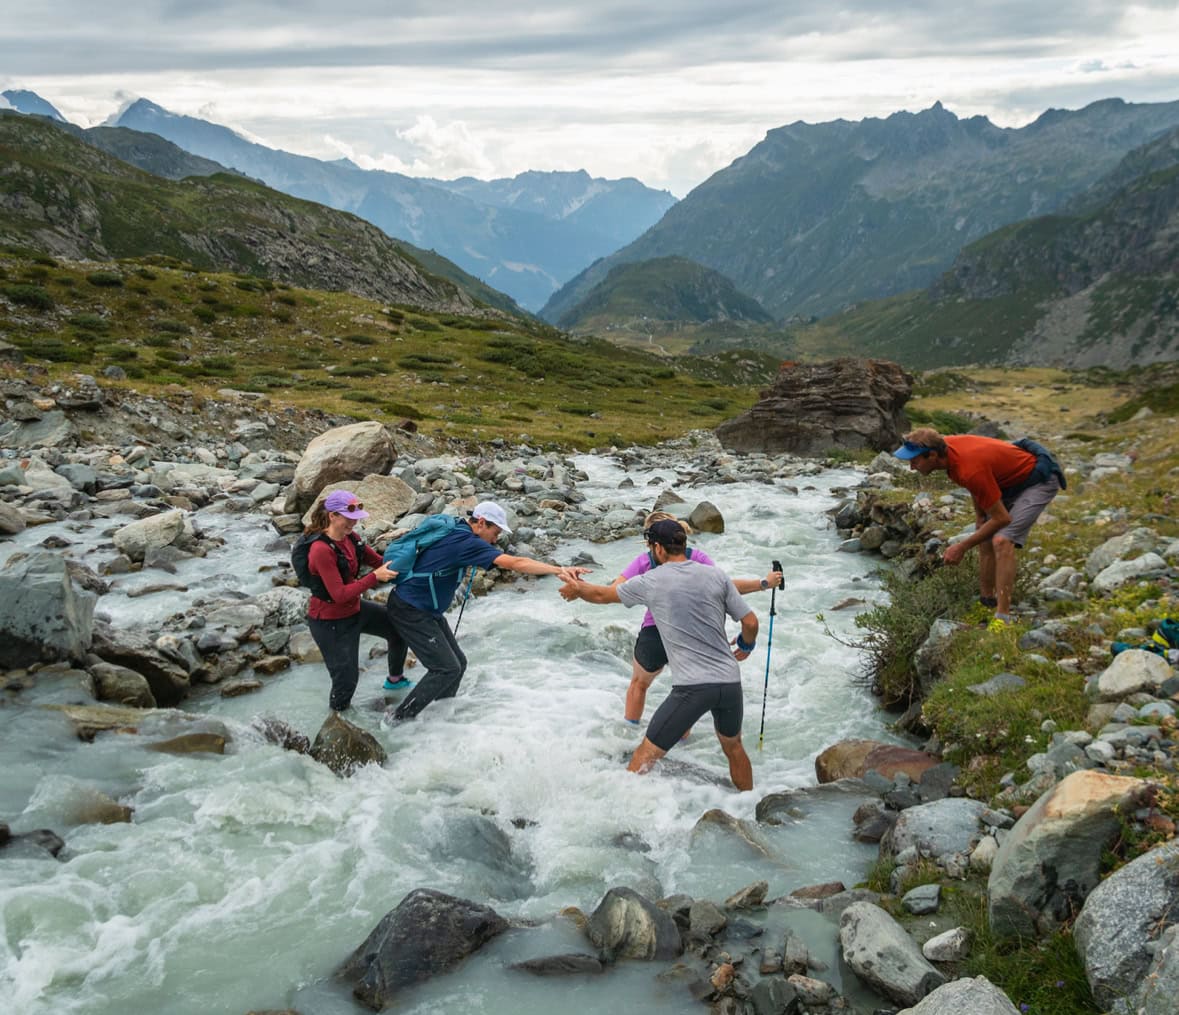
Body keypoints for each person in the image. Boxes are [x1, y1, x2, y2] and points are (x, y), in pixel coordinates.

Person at [559, 519, 759, 791]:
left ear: (658, 549)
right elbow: (750, 623)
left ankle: (619, 806)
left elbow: (601, 595)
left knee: (644, 755)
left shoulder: (652, 581)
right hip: (730, 683)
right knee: (734, 747)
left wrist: (575, 587)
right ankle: (752, 807)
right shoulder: (717, 576)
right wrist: (746, 647)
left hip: (693, 687)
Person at [385, 501, 589, 720]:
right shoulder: (466, 542)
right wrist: (560, 569)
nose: (496, 539)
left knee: (458, 664)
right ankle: (399, 720)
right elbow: (517, 563)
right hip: (411, 609)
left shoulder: (457, 529)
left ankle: (439, 718)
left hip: (423, 608)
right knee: (446, 668)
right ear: (481, 523)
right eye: (496, 532)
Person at [613, 511, 782, 726]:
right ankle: (681, 744)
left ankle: (628, 734)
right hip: (694, 632)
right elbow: (725, 586)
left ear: (652, 543)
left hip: (655, 631)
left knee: (639, 684)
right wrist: (763, 583)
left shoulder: (644, 562)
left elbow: (614, 590)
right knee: (687, 692)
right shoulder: (697, 557)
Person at [893, 427, 1065, 630]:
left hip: (1038, 480)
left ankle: (1003, 618)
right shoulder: (946, 449)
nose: (912, 467)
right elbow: (974, 485)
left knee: (1002, 540)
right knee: (984, 533)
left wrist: (961, 547)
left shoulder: (968, 466)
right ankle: (986, 603)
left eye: (915, 460)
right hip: (1007, 482)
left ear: (932, 455)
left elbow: (1002, 518)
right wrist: (979, 515)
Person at [303, 489, 403, 713]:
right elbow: (339, 595)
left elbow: (378, 561)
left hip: (354, 611)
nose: (353, 524)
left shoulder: (351, 539)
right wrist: (374, 578)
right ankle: (337, 723)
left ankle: (395, 680)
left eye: (356, 519)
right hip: (330, 622)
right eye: (349, 519)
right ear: (332, 516)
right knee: (346, 680)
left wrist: (411, 564)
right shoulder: (320, 550)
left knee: (398, 628)